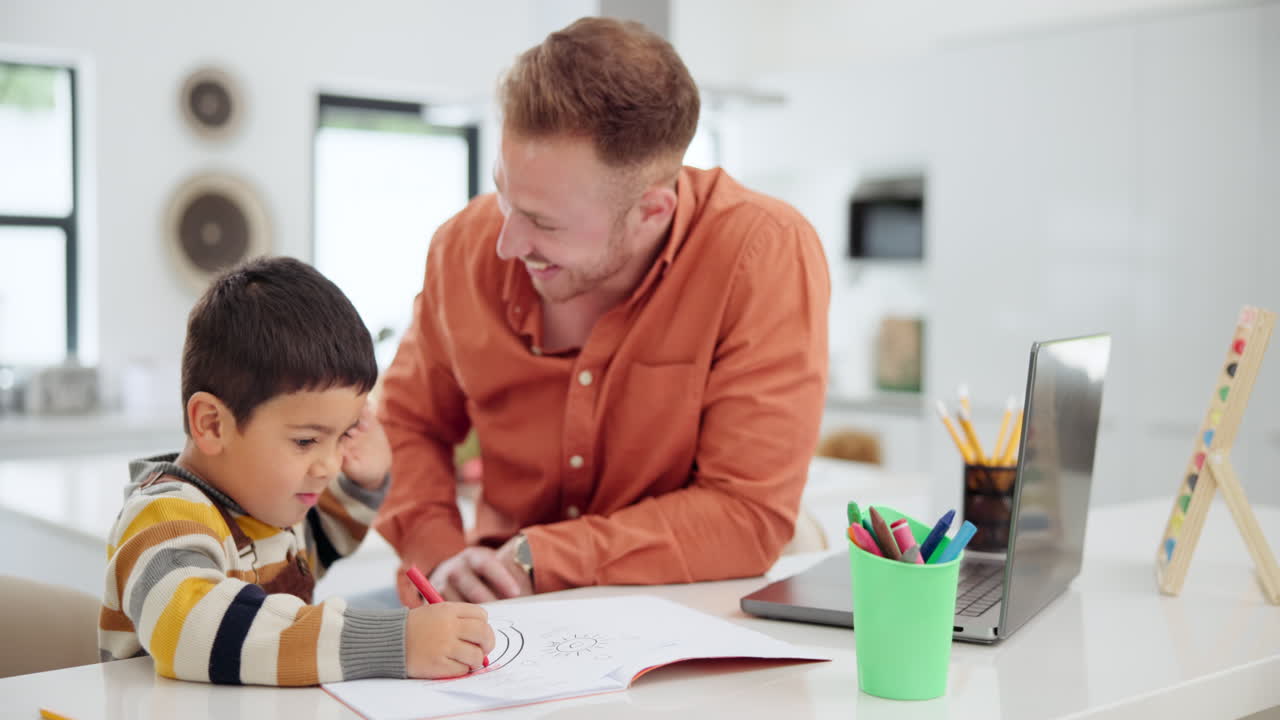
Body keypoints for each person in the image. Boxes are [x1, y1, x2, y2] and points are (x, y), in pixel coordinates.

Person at [376, 17, 830, 606]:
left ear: (652, 211)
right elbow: (407, 423)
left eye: (543, 221)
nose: (506, 243)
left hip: (687, 601)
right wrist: (440, 558)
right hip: (497, 603)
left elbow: (745, 512)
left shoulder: (763, 252)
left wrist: (539, 559)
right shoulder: (462, 248)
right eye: (504, 195)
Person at [98, 256, 494, 685]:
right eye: (307, 440)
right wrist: (392, 643)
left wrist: (366, 481)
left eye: (343, 435)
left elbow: (320, 543)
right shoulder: (163, 521)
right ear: (212, 424)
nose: (329, 466)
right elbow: (199, 631)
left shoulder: (263, 504)